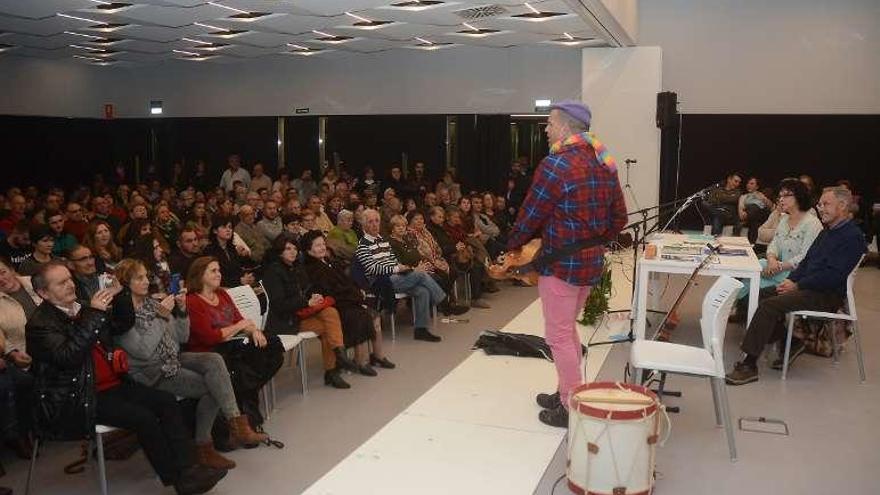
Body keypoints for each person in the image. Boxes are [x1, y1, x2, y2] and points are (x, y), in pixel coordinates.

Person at [26, 262, 227, 494]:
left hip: (113, 384)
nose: (70, 284)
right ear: (43, 293)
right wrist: (94, 315)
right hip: (78, 396)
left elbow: (120, 324)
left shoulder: (82, 307)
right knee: (144, 417)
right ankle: (179, 479)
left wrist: (119, 294)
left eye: (70, 279)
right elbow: (68, 357)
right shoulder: (40, 324)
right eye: (61, 283)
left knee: (166, 401)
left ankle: (189, 468)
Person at [507, 101, 627, 427]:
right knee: (565, 330)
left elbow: (531, 213)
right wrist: (595, 240)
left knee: (558, 336)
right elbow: (620, 218)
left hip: (561, 268)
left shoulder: (555, 165)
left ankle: (570, 406)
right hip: (589, 266)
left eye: (548, 123)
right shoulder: (605, 164)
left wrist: (511, 247)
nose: (545, 129)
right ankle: (567, 388)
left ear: (564, 127)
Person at [113, 259, 267, 470]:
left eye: (146, 276)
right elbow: (143, 351)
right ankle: (205, 445)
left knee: (214, 360)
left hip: (171, 359)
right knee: (213, 387)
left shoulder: (152, 304)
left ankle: (236, 423)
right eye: (139, 278)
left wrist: (182, 311)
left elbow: (181, 337)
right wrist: (161, 315)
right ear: (125, 283)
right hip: (151, 371)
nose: (146, 281)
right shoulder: (122, 313)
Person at [725, 187, 867, 385]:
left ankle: (749, 364)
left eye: (826, 204)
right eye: (820, 204)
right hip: (807, 287)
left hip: (826, 295)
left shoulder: (852, 237)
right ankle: (792, 340)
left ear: (842, 206)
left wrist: (798, 284)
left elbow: (832, 276)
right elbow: (808, 262)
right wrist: (792, 281)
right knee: (758, 295)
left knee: (769, 305)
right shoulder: (828, 232)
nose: (821, 208)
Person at [184, 256, 283, 428]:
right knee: (246, 364)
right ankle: (247, 411)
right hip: (210, 350)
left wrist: (254, 331)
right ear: (200, 275)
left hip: (232, 341)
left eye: (219, 270)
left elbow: (240, 319)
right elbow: (210, 337)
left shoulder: (222, 294)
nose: (218, 274)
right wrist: (240, 326)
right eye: (213, 271)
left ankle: (246, 394)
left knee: (272, 344)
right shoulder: (193, 301)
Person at [262, 236, 361, 388]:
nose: (293, 252)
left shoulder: (296, 267)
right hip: (286, 320)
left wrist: (313, 296)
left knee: (330, 312)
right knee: (329, 325)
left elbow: (306, 290)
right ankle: (333, 367)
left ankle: (337, 360)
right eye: (288, 248)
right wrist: (306, 301)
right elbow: (279, 305)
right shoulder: (273, 272)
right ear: (279, 251)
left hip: (302, 313)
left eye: (295, 248)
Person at [301, 231, 397, 371]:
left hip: (348, 299)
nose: (322, 247)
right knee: (361, 316)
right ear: (309, 250)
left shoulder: (329, 262)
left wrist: (359, 291)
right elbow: (330, 292)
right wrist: (356, 297)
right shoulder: (312, 269)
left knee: (375, 316)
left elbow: (347, 281)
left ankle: (378, 356)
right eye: (317, 245)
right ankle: (361, 361)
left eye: (323, 244)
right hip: (336, 304)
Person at [355, 209, 451, 343]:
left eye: (377, 221)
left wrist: (403, 268)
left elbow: (393, 259)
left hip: (396, 277)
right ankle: (444, 303)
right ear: (364, 225)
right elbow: (372, 268)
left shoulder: (382, 240)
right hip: (381, 282)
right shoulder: (363, 245)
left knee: (422, 291)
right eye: (370, 222)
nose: (375, 224)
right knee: (421, 275)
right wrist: (397, 268)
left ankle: (420, 330)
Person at [735, 178, 823, 316]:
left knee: (753, 286)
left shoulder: (812, 224)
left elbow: (805, 257)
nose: (781, 199)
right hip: (776, 267)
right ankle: (743, 310)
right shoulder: (784, 220)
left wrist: (780, 266)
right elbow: (774, 244)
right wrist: (771, 259)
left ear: (799, 196)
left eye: (786, 195)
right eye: (780, 196)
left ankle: (750, 312)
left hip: (795, 274)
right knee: (747, 270)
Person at [0, 257, 38, 459]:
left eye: (2, 271)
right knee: (22, 381)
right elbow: (1, 340)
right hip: (23, 352)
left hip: (52, 342)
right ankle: (20, 433)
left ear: (12, 269)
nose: (0, 278)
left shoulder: (34, 282)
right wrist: (11, 354)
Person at [703, 171, 743, 236]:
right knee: (706, 205)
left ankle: (714, 240)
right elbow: (711, 200)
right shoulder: (718, 189)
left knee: (717, 215)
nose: (737, 184)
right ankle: (715, 238)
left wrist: (720, 199)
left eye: (739, 182)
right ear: (729, 179)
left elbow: (733, 199)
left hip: (729, 215)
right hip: (718, 212)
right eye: (736, 181)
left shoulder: (738, 192)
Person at [738, 176, 773, 244]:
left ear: (757, 187)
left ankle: (751, 244)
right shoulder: (743, 196)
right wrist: (743, 213)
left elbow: (771, 207)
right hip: (751, 217)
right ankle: (752, 245)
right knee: (754, 221)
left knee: (757, 210)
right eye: (748, 183)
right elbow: (741, 212)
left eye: (751, 183)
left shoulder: (761, 195)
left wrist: (763, 198)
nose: (748, 185)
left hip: (762, 215)